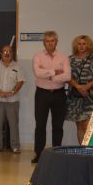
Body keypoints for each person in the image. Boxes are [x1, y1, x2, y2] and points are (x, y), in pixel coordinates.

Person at [32, 31, 71, 163]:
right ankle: (38, 155)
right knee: (40, 126)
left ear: (56, 42)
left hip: (59, 95)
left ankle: (57, 154)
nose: (50, 43)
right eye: (47, 41)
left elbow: (67, 76)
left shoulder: (63, 57)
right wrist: (56, 72)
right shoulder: (38, 56)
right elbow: (37, 73)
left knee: (58, 126)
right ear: (44, 42)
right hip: (42, 94)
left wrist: (47, 74)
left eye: (52, 40)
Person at [0, 45, 25, 154]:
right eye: (4, 52)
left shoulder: (18, 66)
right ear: (0, 54)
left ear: (12, 53)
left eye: (9, 51)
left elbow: (20, 81)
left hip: (13, 100)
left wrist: (12, 92)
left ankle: (15, 146)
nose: (7, 53)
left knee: (13, 124)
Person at [66, 35, 93, 144]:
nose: (81, 46)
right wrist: (78, 86)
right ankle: (82, 150)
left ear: (88, 45)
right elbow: (67, 76)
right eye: (79, 44)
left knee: (88, 125)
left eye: (84, 43)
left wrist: (87, 86)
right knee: (79, 125)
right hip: (75, 98)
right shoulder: (70, 59)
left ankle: (90, 150)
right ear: (75, 45)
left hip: (90, 96)